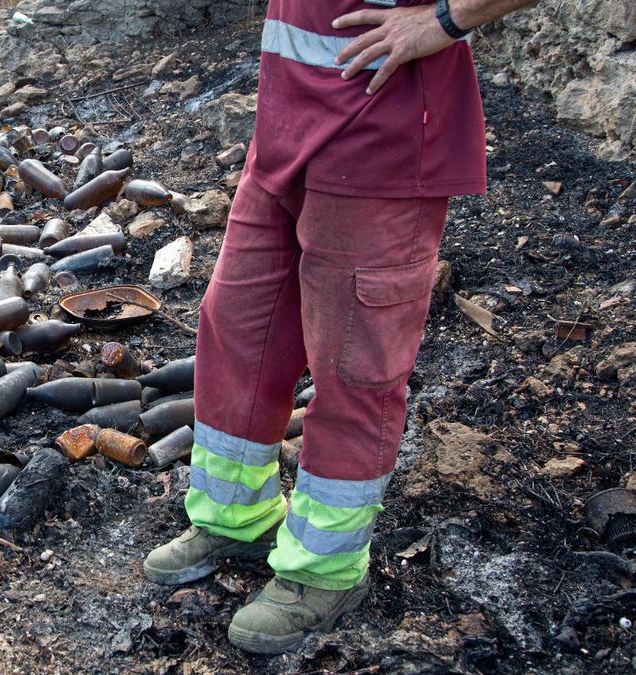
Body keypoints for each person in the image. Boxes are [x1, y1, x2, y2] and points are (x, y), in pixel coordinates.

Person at [143, 0, 540, 655]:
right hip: (286, 122)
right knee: (238, 328)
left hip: (381, 135)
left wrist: (442, 20)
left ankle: (323, 573)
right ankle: (235, 518)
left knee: (355, 368)